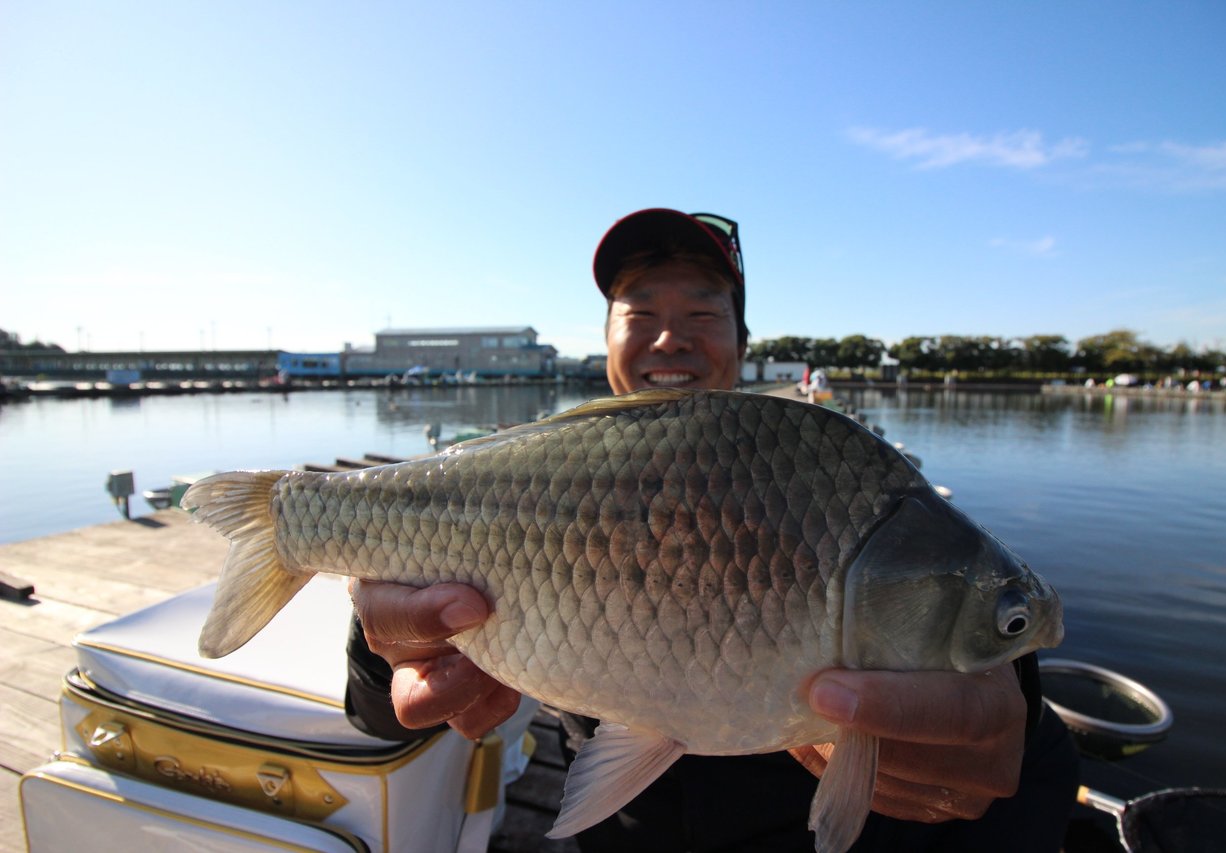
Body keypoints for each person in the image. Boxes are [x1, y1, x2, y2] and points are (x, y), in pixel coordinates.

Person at [345, 209, 1079, 851]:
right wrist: (388, 649)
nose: (670, 338)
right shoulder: (533, 475)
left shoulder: (828, 476)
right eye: (639, 312)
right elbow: (379, 715)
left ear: (740, 339)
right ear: (605, 340)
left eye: (702, 314)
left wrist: (1005, 705)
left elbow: (1020, 741)